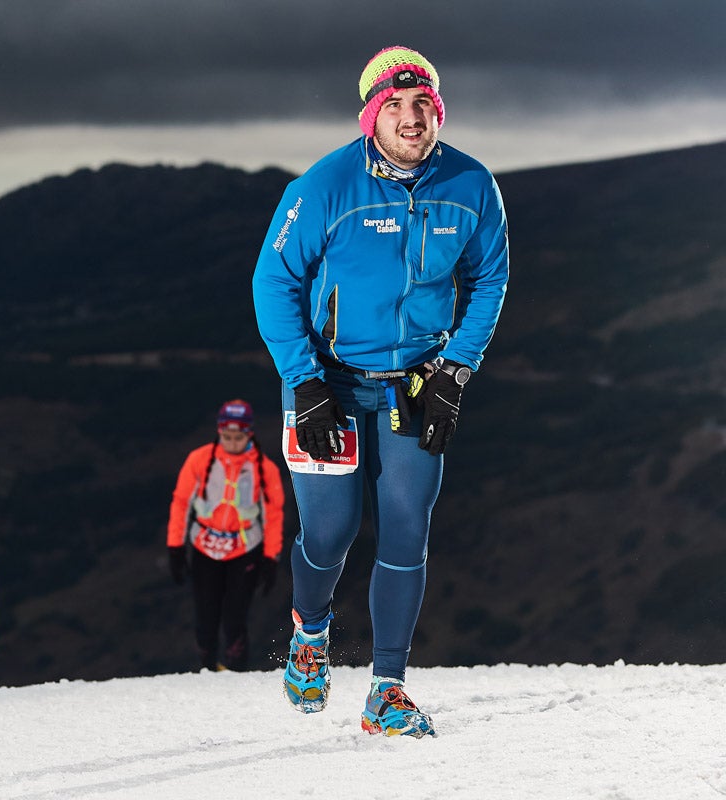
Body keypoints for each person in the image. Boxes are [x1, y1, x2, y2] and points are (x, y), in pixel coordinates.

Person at [252, 46, 509, 737]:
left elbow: (489, 279)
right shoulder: (325, 185)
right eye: (394, 105)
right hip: (326, 385)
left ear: (438, 110)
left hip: (414, 385)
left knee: (405, 529)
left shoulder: (471, 184)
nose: (410, 117)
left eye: (422, 103)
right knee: (330, 530)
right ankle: (310, 632)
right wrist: (303, 379)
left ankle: (386, 691)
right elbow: (272, 281)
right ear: (372, 116)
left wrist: (455, 371)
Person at [166, 399, 285, 671]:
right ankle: (207, 669)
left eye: (238, 437)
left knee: (235, 617)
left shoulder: (264, 468)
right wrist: (175, 546)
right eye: (227, 436)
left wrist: (271, 557)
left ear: (249, 433)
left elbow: (273, 514)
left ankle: (236, 671)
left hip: (244, 548)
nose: (232, 443)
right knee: (205, 615)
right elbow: (181, 502)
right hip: (204, 546)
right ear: (219, 431)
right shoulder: (199, 460)